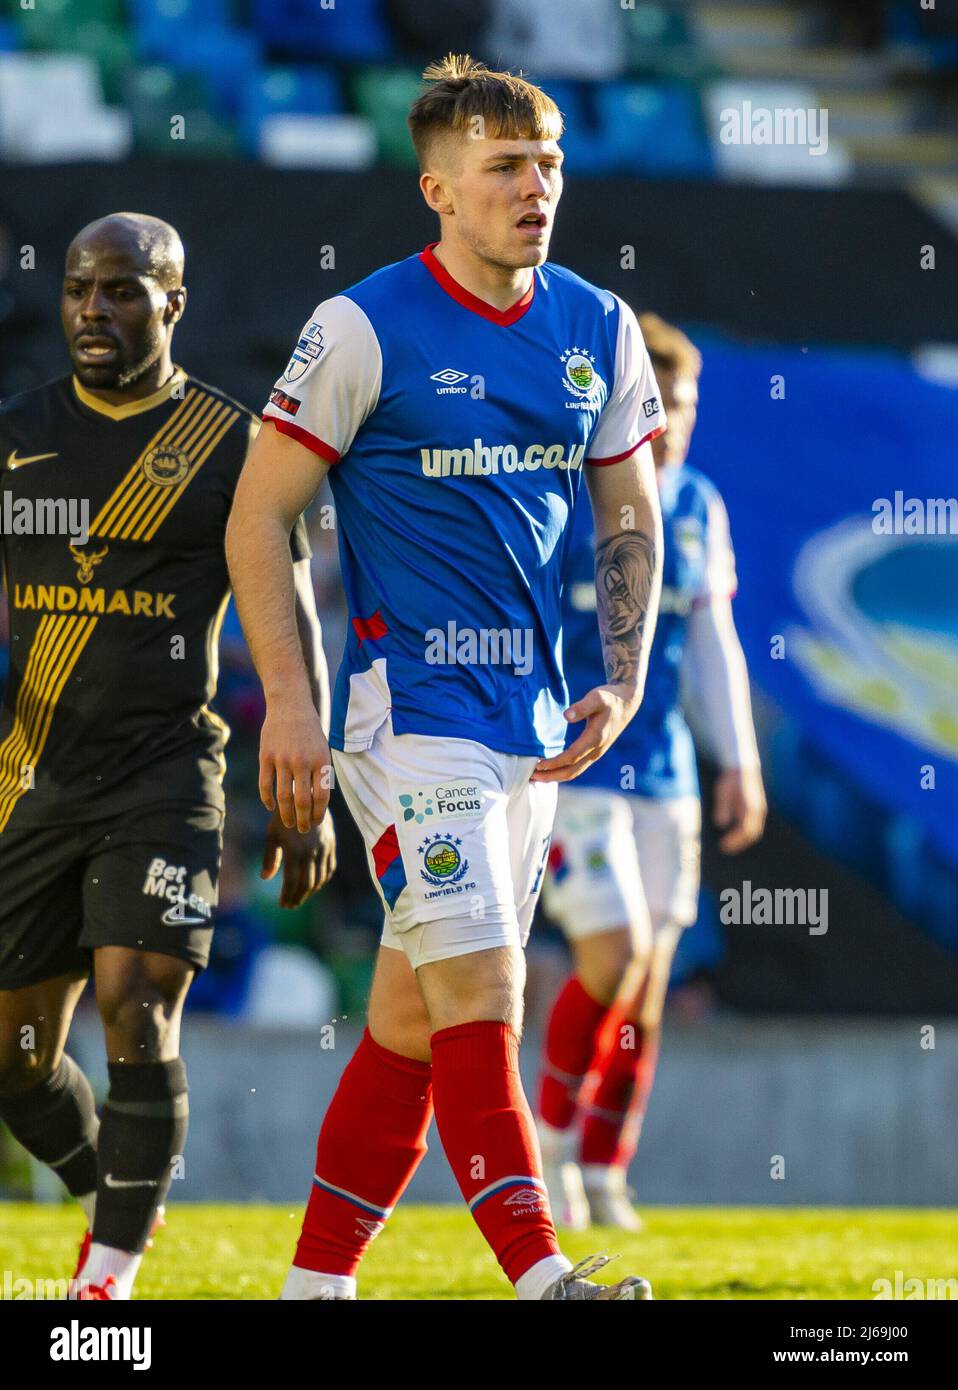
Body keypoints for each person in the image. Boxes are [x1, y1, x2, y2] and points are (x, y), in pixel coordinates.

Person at [226, 54, 666, 1302]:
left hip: (529, 724)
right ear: (438, 189)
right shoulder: (362, 326)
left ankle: (315, 1289)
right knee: (484, 985)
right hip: (402, 716)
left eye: (550, 166)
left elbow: (629, 506)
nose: (536, 189)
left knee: (414, 1021)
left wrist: (620, 679)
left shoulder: (595, 326)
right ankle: (543, 1280)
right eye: (505, 170)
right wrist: (295, 706)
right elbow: (260, 516)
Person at [0, 213, 335, 1300]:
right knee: (15, 1062)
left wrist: (304, 771)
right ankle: (119, 1193)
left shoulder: (233, 446)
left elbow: (285, 615)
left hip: (165, 776)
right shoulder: (17, 435)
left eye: (122, 291)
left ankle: (108, 1282)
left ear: (172, 303)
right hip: (34, 773)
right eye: (80, 289)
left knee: (139, 1005)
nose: (94, 311)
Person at [536, 313, 767, 1229]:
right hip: (581, 766)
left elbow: (714, 638)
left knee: (652, 980)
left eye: (688, 401)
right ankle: (550, 1144)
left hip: (665, 770)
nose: (677, 418)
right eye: (663, 400)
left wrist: (738, 761)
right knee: (614, 955)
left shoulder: (701, 504)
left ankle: (604, 1168)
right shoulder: (577, 493)